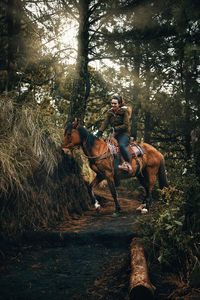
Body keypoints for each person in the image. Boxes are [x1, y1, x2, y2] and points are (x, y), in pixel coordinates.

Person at [96, 95, 133, 173]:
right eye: (112, 103)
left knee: (121, 145)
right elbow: (105, 123)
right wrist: (99, 132)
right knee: (107, 147)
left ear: (119, 104)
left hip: (124, 134)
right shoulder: (110, 112)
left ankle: (128, 163)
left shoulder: (124, 111)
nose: (113, 105)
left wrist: (115, 128)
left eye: (115, 104)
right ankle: (113, 166)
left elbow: (126, 125)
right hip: (114, 134)